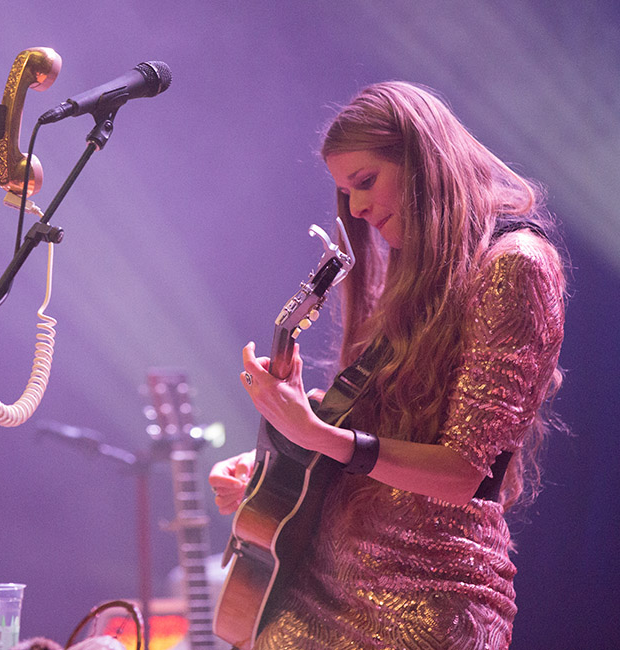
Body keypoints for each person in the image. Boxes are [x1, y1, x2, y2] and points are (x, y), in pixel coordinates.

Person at [209, 82, 566, 649]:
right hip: (317, 586)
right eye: (345, 192)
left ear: (425, 162)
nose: (355, 208)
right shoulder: (414, 277)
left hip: (428, 603)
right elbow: (384, 425)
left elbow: (461, 474)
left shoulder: (515, 264)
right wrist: (271, 459)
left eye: (366, 182)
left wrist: (318, 434)